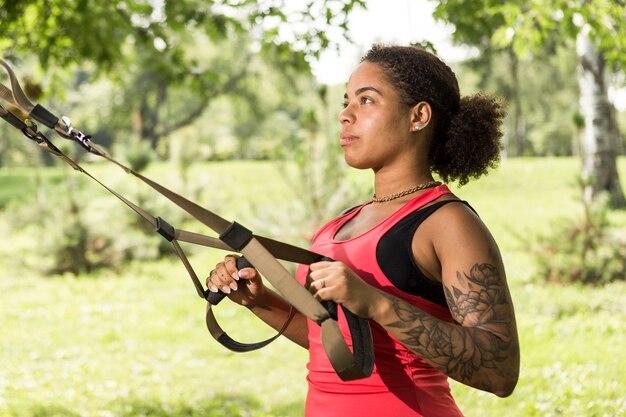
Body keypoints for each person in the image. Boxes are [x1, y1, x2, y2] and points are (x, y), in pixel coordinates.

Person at [206, 44, 520, 417]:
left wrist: (375, 302)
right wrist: (258, 300)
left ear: (418, 116)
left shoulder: (448, 223)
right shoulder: (338, 226)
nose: (345, 115)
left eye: (366, 100)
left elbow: (499, 372)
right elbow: (333, 342)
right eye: (346, 101)